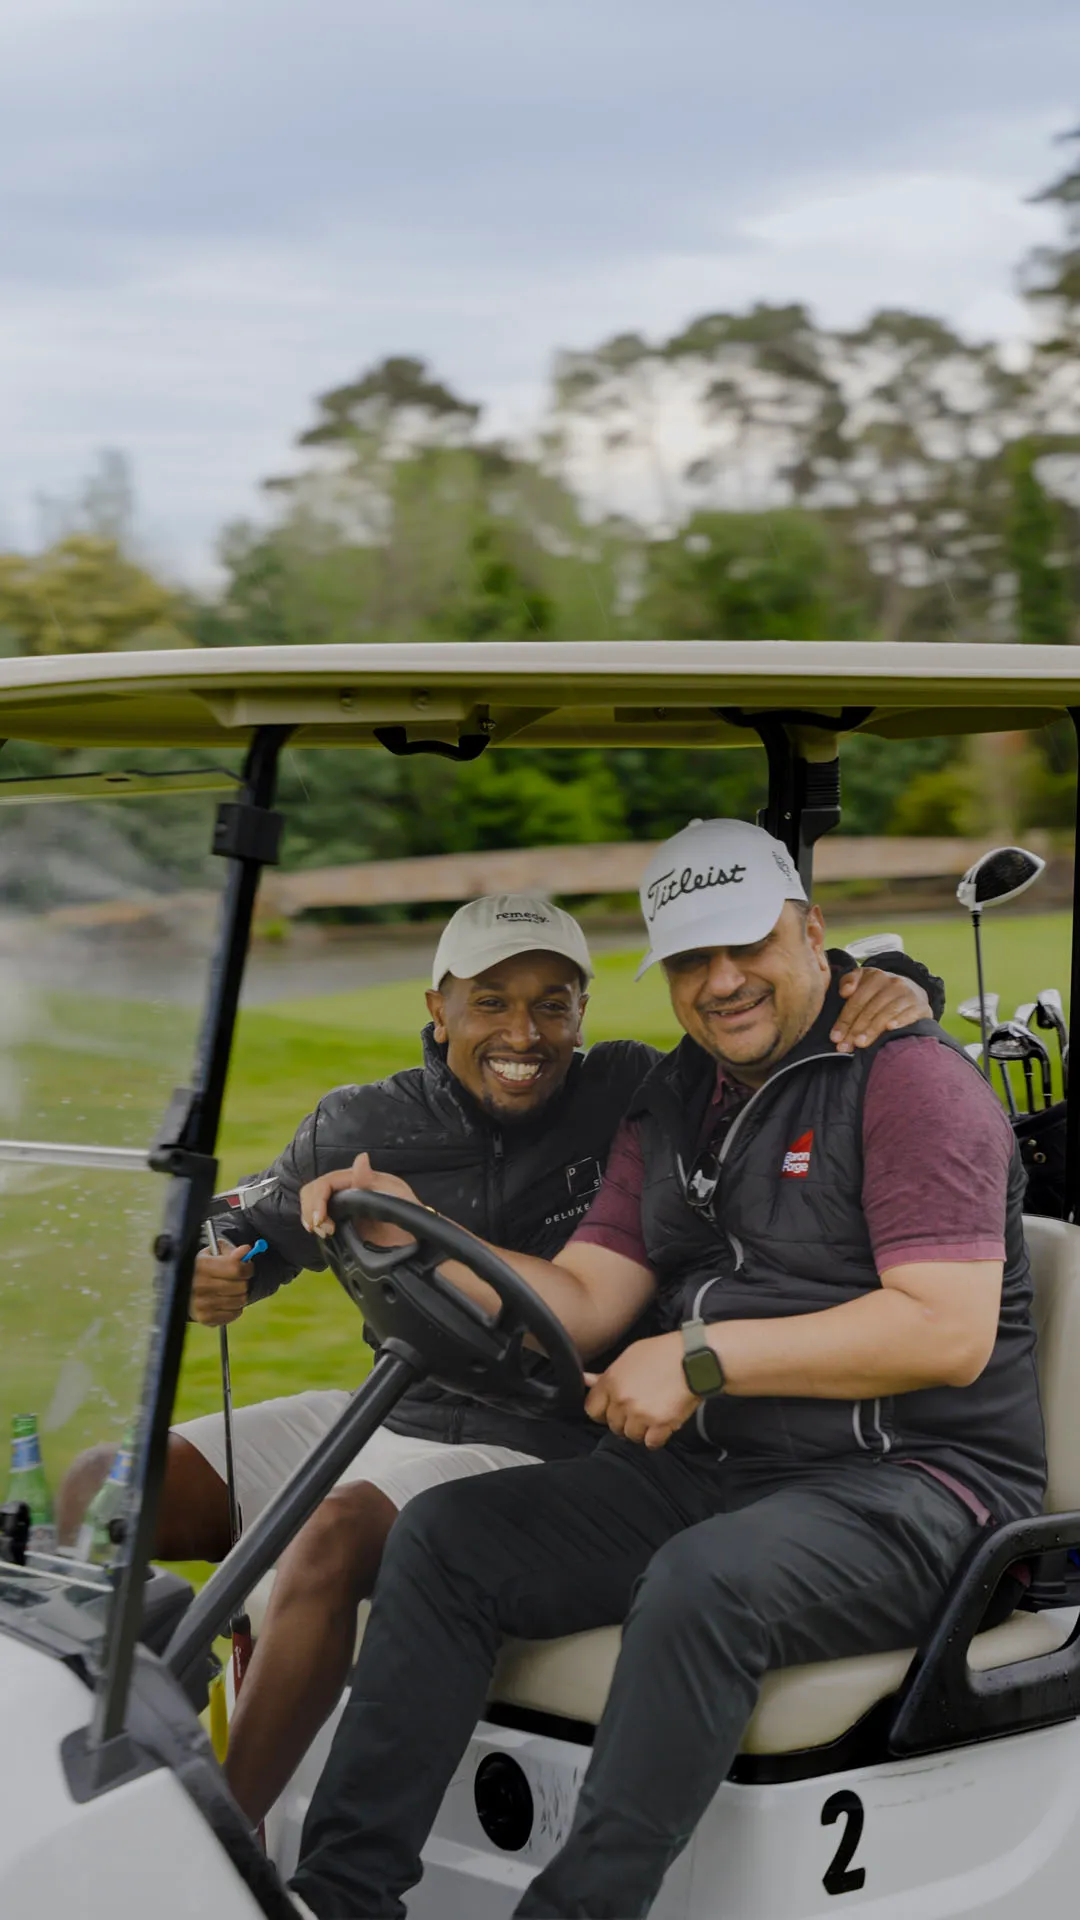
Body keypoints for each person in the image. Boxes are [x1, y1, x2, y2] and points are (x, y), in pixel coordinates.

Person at [290, 818, 1045, 1920]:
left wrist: (701, 1358)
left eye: (750, 946)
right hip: (724, 1468)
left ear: (812, 934)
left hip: (917, 1482)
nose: (723, 981)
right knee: (447, 1544)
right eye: (693, 959)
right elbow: (590, 1295)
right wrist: (421, 1232)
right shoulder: (680, 1099)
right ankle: (337, 1897)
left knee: (705, 1585)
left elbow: (945, 1332)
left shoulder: (910, 1085)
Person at [60, 888, 932, 1825]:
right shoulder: (362, 1124)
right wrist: (218, 1265)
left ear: (582, 1013)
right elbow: (251, 1227)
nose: (524, 1032)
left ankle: (214, 1848)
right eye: (491, 1001)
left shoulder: (633, 1094)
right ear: (437, 1008)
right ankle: (87, 1777)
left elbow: (760, 1034)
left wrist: (899, 985)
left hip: (546, 1445)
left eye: (553, 1002)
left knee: (332, 1530)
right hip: (390, 1411)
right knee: (105, 1483)